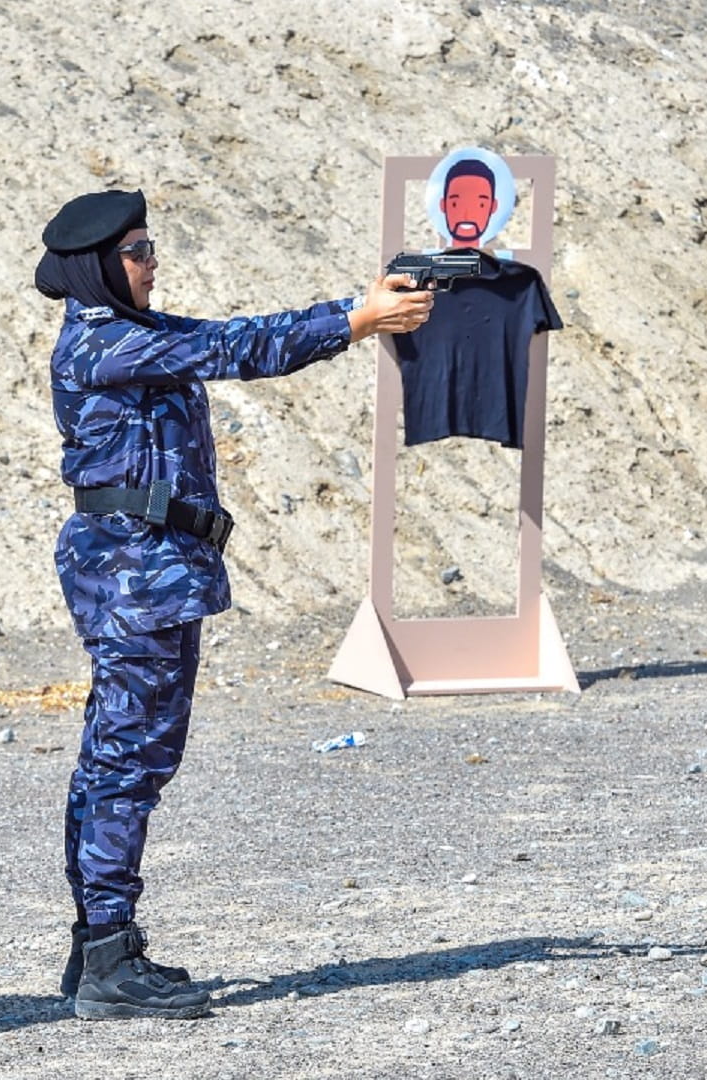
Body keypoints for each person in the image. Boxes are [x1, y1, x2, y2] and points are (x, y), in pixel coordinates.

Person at [35, 189, 433, 1020]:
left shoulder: (131, 336)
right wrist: (356, 319)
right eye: (139, 250)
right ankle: (106, 954)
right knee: (126, 763)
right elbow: (238, 346)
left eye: (149, 245)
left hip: (152, 573)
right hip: (133, 578)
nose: (152, 260)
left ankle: (102, 945)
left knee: (127, 760)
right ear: (103, 265)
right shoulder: (105, 341)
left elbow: (225, 340)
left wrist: (354, 309)